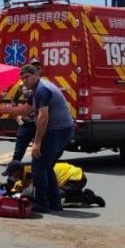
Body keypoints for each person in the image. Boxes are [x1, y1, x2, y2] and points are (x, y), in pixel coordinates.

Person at [19, 64, 74, 213]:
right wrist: (1, 109)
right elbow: (25, 109)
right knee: (46, 166)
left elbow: (43, 117)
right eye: (22, 78)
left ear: (36, 75)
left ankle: (42, 203)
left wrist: (36, 143)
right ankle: (55, 203)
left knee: (38, 166)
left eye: (27, 77)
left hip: (58, 131)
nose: (24, 81)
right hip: (63, 130)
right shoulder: (36, 90)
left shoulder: (42, 89)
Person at [0, 59, 39, 162]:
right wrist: (16, 117)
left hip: (39, 123)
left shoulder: (42, 86)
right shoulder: (22, 86)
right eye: (34, 66)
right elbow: (14, 100)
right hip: (26, 121)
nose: (36, 68)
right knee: (18, 151)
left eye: (37, 67)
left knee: (38, 152)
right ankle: (13, 171)